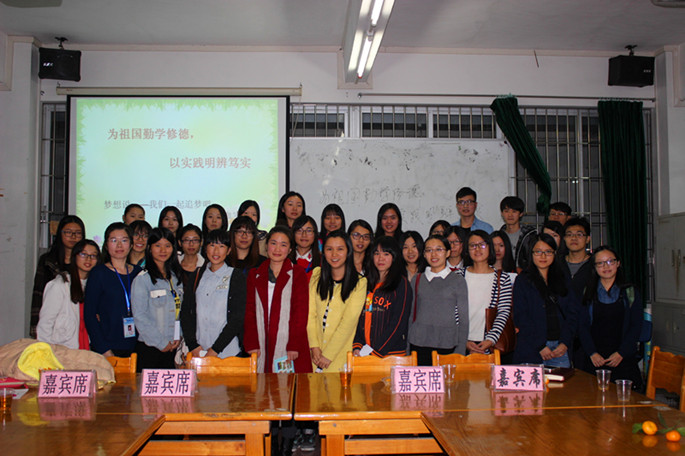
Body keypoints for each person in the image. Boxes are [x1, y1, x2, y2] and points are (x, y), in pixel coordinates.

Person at [243, 226, 312, 373]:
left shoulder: (297, 273)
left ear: (290, 249)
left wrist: (293, 344)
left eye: (283, 245)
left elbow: (300, 313)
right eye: (273, 243)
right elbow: (249, 311)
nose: (277, 249)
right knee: (261, 384)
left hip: (289, 345)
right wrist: (252, 343)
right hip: (261, 343)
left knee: (288, 385)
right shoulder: (254, 274)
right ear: (266, 245)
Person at [578, 246, 644, 390]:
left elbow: (636, 326)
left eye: (610, 261)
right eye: (600, 263)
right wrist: (592, 353)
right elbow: (582, 326)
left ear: (618, 263)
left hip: (622, 358)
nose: (606, 267)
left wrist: (621, 353)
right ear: (594, 267)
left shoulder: (630, 292)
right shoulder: (587, 292)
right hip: (595, 359)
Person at [512, 233, 579, 367]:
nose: (543, 256)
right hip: (531, 348)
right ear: (531, 254)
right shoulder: (523, 280)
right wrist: (540, 345)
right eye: (538, 252)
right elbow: (521, 316)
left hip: (559, 349)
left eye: (548, 252)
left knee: (561, 381)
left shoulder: (563, 279)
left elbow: (573, 313)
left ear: (555, 254)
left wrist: (565, 342)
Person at [180, 229, 247, 360]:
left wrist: (215, 350)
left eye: (221, 246)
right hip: (198, 351)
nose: (216, 251)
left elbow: (237, 318)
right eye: (212, 245)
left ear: (228, 250)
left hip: (228, 352)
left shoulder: (236, 276)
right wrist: (192, 345)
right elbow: (186, 312)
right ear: (205, 248)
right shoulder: (197, 275)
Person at [307, 231, 367, 371]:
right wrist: (314, 346)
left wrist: (328, 355)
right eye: (329, 249)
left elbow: (348, 322)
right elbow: (310, 314)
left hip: (339, 356)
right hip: (315, 355)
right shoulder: (316, 275)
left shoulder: (359, 283)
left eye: (340, 249)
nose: (334, 254)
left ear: (348, 251)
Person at [408, 235, 469, 366]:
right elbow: (410, 315)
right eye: (429, 250)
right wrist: (407, 349)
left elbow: (463, 320)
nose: (433, 254)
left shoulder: (458, 280)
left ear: (448, 253)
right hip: (418, 343)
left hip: (447, 345)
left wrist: (460, 351)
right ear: (424, 254)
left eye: (439, 249)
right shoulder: (417, 279)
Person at [84, 222, 143, 357]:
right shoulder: (98, 273)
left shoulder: (139, 273)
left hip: (138, 346)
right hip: (107, 347)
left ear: (131, 244)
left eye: (124, 240)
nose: (119, 245)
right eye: (114, 240)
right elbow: (90, 315)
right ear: (106, 245)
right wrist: (104, 350)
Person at [131, 228, 184, 370]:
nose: (163, 250)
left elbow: (179, 312)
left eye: (167, 246)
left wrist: (178, 336)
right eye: (158, 245)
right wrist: (161, 343)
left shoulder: (175, 278)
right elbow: (140, 316)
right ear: (149, 248)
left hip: (172, 346)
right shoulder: (142, 279)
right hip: (150, 347)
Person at [353, 236, 411, 357]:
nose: (380, 258)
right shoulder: (365, 282)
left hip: (391, 355)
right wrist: (357, 345)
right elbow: (357, 317)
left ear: (394, 257)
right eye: (377, 253)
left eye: (386, 254)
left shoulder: (401, 284)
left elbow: (399, 323)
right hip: (365, 352)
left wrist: (376, 351)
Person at [37, 239, 100, 350]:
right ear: (74, 256)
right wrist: (46, 351)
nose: (88, 259)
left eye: (93, 255)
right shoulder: (60, 284)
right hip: (62, 349)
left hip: (88, 348)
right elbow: (46, 323)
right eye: (83, 254)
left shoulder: (95, 285)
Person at [30, 215, 86, 338]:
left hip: (80, 325)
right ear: (60, 234)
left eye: (78, 233)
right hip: (52, 324)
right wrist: (35, 327)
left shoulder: (87, 262)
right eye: (68, 232)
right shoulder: (48, 261)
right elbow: (38, 294)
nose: (73, 237)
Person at [461, 231, 513, 355]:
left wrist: (490, 340)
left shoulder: (502, 278)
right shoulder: (458, 276)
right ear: (467, 250)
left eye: (482, 245)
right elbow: (452, 311)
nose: (477, 249)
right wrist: (463, 340)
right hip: (462, 343)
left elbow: (503, 312)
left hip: (490, 343)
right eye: (473, 245)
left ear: (490, 248)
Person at [499, 196, 536, 270]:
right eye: (506, 211)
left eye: (514, 211)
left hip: (525, 273)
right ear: (502, 213)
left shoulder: (530, 235)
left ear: (521, 214)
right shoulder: (499, 235)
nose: (510, 215)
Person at [561, 217, 593, 299]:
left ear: (588, 239)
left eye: (579, 234)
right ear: (564, 238)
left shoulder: (595, 264)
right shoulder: (557, 263)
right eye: (569, 235)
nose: (574, 238)